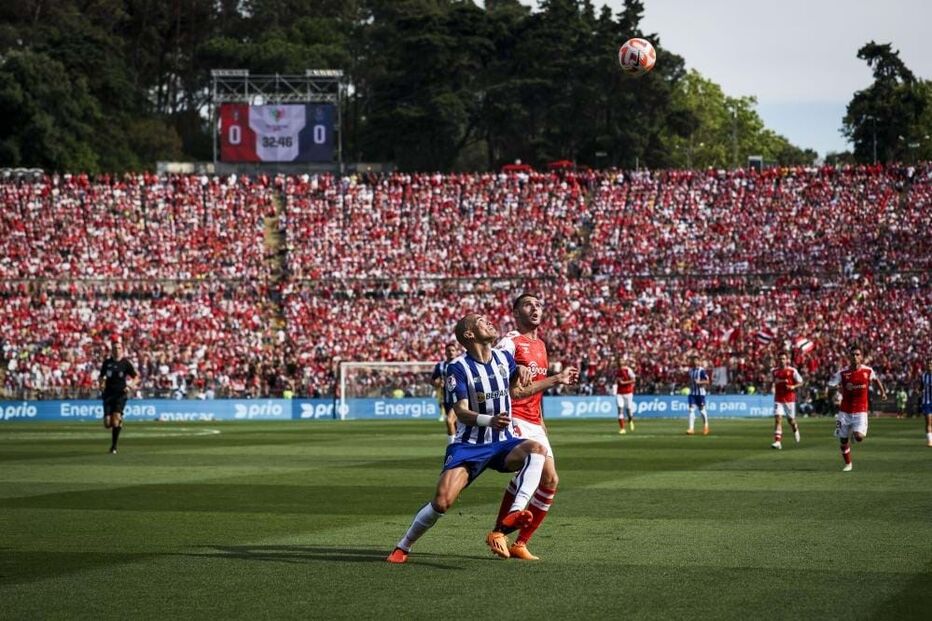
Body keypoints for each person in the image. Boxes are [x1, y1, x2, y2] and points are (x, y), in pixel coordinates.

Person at [386, 313, 550, 564]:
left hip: (503, 442)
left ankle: (515, 512)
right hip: (470, 446)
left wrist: (525, 372)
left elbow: (516, 387)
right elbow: (461, 412)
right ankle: (403, 546)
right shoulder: (458, 368)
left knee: (536, 450)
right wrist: (489, 420)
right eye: (483, 321)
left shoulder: (505, 358)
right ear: (469, 335)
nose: (491, 322)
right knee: (442, 502)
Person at [487, 293, 578, 561]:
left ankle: (519, 542)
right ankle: (499, 531)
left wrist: (542, 421)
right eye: (528, 304)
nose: (535, 308)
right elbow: (513, 389)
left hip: (533, 420)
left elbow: (534, 393)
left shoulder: (540, 345)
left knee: (550, 480)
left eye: (539, 304)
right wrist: (554, 379)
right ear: (515, 313)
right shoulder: (509, 342)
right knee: (535, 472)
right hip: (513, 417)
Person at [827, 346, 887, 472]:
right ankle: (848, 464)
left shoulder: (868, 371)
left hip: (861, 410)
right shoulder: (842, 373)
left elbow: (876, 380)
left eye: (857, 354)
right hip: (844, 411)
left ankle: (855, 434)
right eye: (852, 354)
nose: (855, 357)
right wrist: (837, 388)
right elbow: (830, 386)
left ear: (861, 356)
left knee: (859, 437)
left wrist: (882, 393)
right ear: (849, 357)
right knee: (843, 440)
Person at [98, 341, 137, 454]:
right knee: (107, 423)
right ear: (112, 349)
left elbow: (136, 377)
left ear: (122, 349)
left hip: (120, 394)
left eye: (119, 348)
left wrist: (130, 386)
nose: (117, 350)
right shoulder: (107, 363)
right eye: (115, 348)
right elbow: (101, 376)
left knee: (115, 422)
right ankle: (118, 422)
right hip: (108, 394)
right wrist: (101, 384)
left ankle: (114, 447)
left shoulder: (125, 363)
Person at [769, 351, 803, 449]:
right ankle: (777, 442)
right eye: (780, 359)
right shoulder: (774, 371)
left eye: (783, 358)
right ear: (778, 360)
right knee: (777, 418)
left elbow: (801, 382)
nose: (782, 361)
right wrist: (771, 387)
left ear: (787, 360)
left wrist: (793, 386)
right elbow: (772, 381)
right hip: (778, 398)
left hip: (789, 399)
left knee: (791, 420)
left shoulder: (792, 371)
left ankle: (795, 429)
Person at [431, 343, 459, 444]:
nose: (451, 352)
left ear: (456, 352)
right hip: (447, 400)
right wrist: (437, 383)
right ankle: (456, 446)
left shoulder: (461, 363)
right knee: (453, 425)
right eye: (449, 350)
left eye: (453, 350)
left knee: (450, 421)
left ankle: (453, 448)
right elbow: (432, 380)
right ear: (445, 352)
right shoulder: (441, 366)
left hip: (460, 400)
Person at [686, 354, 710, 435]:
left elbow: (707, 381)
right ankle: (691, 429)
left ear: (699, 361)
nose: (694, 361)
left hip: (700, 394)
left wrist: (700, 382)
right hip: (692, 393)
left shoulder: (701, 370)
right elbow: (690, 381)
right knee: (691, 410)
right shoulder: (690, 371)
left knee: (702, 411)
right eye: (693, 360)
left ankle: (706, 426)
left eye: (696, 360)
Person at [614, 355, 637, 434]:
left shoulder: (628, 370)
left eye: (621, 361)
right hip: (619, 393)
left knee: (628, 410)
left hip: (628, 392)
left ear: (624, 362)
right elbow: (617, 381)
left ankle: (630, 420)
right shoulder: (617, 371)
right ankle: (622, 428)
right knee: (620, 410)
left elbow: (634, 380)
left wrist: (625, 382)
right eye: (619, 361)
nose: (620, 362)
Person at [919, 358, 932, 447]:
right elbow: (921, 388)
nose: (929, 365)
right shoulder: (923, 376)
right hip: (926, 402)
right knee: (928, 421)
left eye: (931, 363)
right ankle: (930, 441)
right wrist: (919, 391)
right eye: (928, 364)